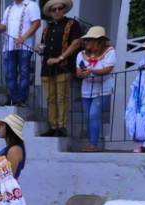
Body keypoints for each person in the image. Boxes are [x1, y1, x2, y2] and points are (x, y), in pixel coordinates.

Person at [39, 0, 82, 137]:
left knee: (62, 97)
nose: (56, 11)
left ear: (64, 9)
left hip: (63, 66)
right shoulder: (47, 28)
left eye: (59, 8)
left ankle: (61, 126)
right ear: (50, 13)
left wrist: (60, 58)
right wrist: (40, 48)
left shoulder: (72, 24)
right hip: (47, 68)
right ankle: (53, 126)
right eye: (53, 9)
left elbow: (76, 43)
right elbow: (42, 48)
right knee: (50, 99)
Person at [0, 0, 41, 106]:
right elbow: (3, 27)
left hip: (25, 47)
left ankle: (21, 100)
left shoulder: (31, 5)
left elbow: (36, 23)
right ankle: (17, 99)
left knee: (24, 74)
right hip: (8, 47)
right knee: (9, 75)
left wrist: (23, 38)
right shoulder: (9, 9)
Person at [76, 26, 116, 152]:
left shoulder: (110, 52)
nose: (86, 42)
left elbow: (108, 70)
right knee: (89, 116)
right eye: (86, 40)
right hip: (86, 90)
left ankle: (93, 144)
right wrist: (83, 73)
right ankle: (94, 142)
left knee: (94, 114)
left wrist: (91, 70)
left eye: (89, 40)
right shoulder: (81, 54)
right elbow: (78, 73)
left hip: (102, 89)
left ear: (98, 41)